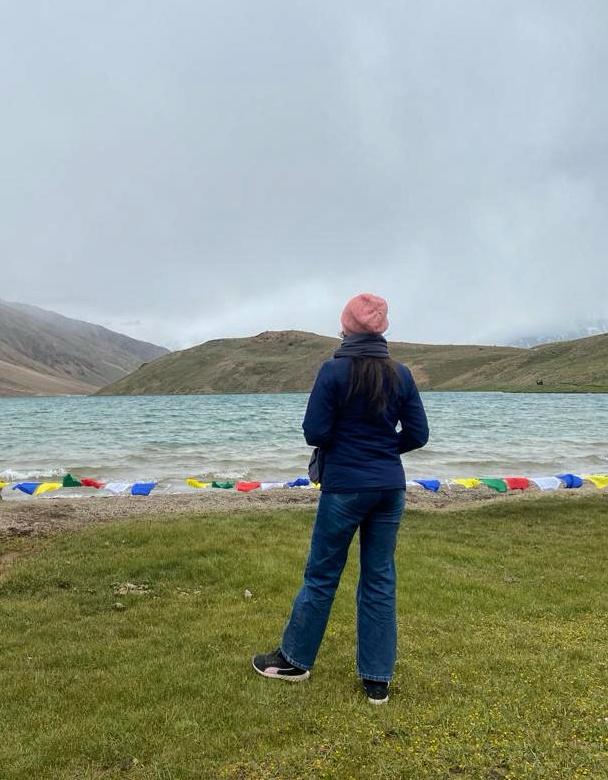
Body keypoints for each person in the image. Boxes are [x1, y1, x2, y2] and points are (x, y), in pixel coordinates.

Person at [252, 293, 429, 704]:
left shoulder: (333, 372)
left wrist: (352, 451)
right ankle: (377, 680)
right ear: (382, 329)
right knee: (380, 578)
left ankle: (294, 661)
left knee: (322, 574)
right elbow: (418, 435)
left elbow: (315, 432)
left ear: (347, 327)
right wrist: (384, 451)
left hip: (345, 488)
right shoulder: (401, 374)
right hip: (389, 488)